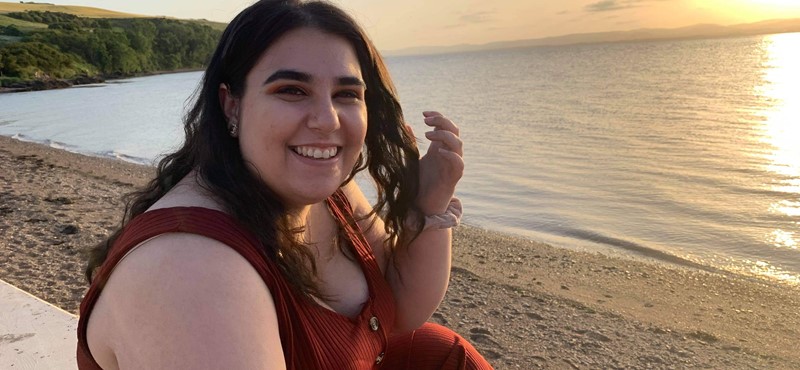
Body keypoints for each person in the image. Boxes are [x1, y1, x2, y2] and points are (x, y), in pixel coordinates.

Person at [76, 0, 492, 369]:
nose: (327, 120)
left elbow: (401, 309)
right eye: (292, 90)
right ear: (231, 105)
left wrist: (427, 203)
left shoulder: (330, 195)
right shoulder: (188, 274)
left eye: (347, 94)